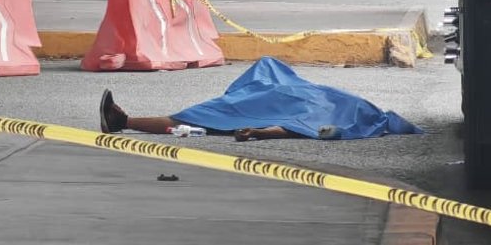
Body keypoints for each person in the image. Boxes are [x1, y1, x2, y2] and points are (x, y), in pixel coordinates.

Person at [98, 57, 422, 142]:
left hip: (262, 104)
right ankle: (123, 121)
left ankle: (123, 121)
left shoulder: (345, 121)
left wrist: (259, 133)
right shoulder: (354, 111)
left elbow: (299, 127)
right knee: (202, 114)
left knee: (198, 116)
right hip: (276, 93)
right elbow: (302, 122)